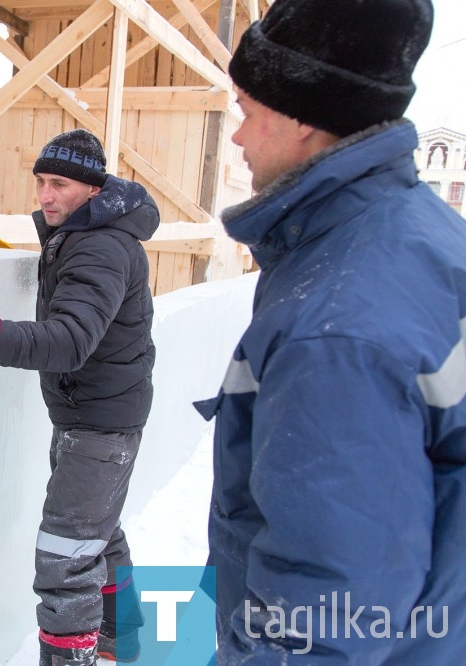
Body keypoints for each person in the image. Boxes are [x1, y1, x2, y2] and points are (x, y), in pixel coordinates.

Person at [195, 0, 466, 662]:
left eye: (246, 112)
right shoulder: (419, 234)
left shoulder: (337, 326)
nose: (237, 136)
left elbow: (321, 617)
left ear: (301, 120)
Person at [0, 128, 158, 665]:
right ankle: (123, 635)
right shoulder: (89, 236)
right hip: (95, 413)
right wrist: (40, 261)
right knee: (95, 535)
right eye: (40, 182)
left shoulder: (103, 246)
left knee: (65, 558)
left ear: (91, 189)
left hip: (100, 424)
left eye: (58, 183)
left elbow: (69, 340)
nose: (44, 196)